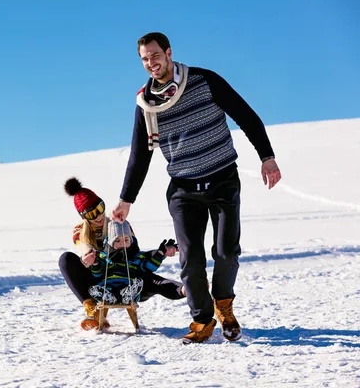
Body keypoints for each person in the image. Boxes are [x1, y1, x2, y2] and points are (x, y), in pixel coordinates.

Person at [112, 32, 282, 344]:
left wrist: (267, 157)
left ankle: (224, 305)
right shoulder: (146, 104)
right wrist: (126, 199)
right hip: (183, 190)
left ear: (168, 52)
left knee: (227, 251)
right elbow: (141, 154)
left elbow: (246, 116)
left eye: (155, 55)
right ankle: (202, 320)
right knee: (190, 260)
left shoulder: (204, 80)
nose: (151, 63)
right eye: (145, 59)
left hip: (222, 180)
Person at [59, 177, 185, 331]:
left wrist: (160, 252)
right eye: (92, 214)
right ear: (84, 217)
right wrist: (88, 257)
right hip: (98, 277)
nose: (98, 216)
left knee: (151, 278)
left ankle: (187, 289)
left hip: (126, 278)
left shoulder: (118, 224)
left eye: (100, 209)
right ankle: (92, 308)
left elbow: (135, 254)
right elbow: (83, 246)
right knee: (65, 259)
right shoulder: (80, 231)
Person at [88, 220, 183, 307]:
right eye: (117, 240)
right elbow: (98, 274)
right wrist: (95, 264)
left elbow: (148, 268)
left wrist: (159, 255)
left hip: (128, 285)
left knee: (137, 284)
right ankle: (107, 297)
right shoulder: (104, 257)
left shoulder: (136, 256)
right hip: (108, 286)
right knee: (95, 288)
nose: (123, 244)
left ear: (131, 240)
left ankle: (128, 296)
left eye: (126, 240)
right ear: (110, 243)